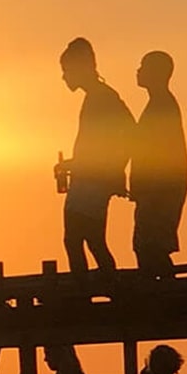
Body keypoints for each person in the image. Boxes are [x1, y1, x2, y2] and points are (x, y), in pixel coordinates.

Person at [53, 37, 134, 279]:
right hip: (89, 180)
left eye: (66, 70)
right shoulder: (100, 96)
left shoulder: (103, 97)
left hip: (92, 183)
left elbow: (130, 133)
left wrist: (114, 169)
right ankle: (105, 291)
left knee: (78, 240)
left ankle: (88, 294)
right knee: (88, 240)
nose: (64, 77)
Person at [130, 50, 187, 277]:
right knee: (148, 247)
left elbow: (157, 151)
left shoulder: (163, 106)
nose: (138, 71)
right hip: (155, 190)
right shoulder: (158, 104)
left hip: (160, 190)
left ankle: (163, 295)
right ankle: (162, 293)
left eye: (143, 66)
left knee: (150, 247)